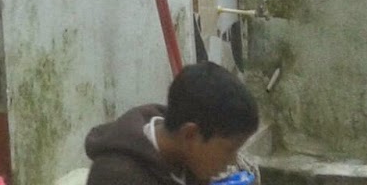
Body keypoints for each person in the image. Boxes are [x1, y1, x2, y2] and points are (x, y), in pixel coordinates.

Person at [84, 61, 260, 185]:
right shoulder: (117, 176)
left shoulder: (189, 160)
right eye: (229, 150)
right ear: (190, 135)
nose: (232, 161)